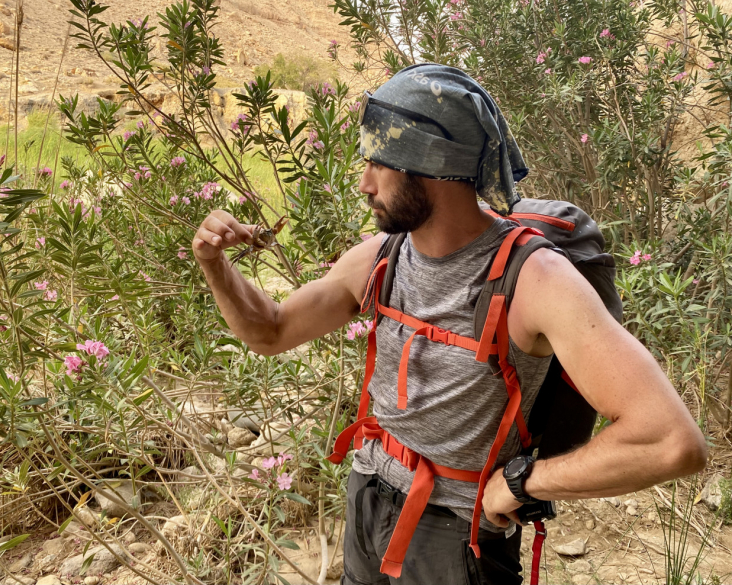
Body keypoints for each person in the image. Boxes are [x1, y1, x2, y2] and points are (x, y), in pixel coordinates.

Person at [192, 64, 707, 585]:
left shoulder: (535, 280)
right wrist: (216, 266)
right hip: (369, 497)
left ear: (432, 166)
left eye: (380, 164)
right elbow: (271, 332)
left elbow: (670, 440)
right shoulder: (382, 257)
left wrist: (525, 484)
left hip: (456, 538)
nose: (364, 183)